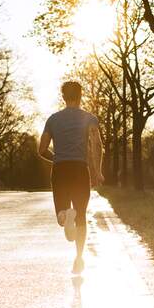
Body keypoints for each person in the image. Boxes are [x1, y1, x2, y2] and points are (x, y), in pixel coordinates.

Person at [38, 81, 105, 275]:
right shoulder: (90, 119)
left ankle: (65, 216)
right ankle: (79, 258)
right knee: (81, 215)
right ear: (81, 95)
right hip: (80, 169)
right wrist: (97, 171)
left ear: (63, 97)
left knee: (61, 216)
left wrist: (57, 157)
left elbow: (41, 149)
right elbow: (97, 145)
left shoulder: (53, 120)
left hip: (60, 169)